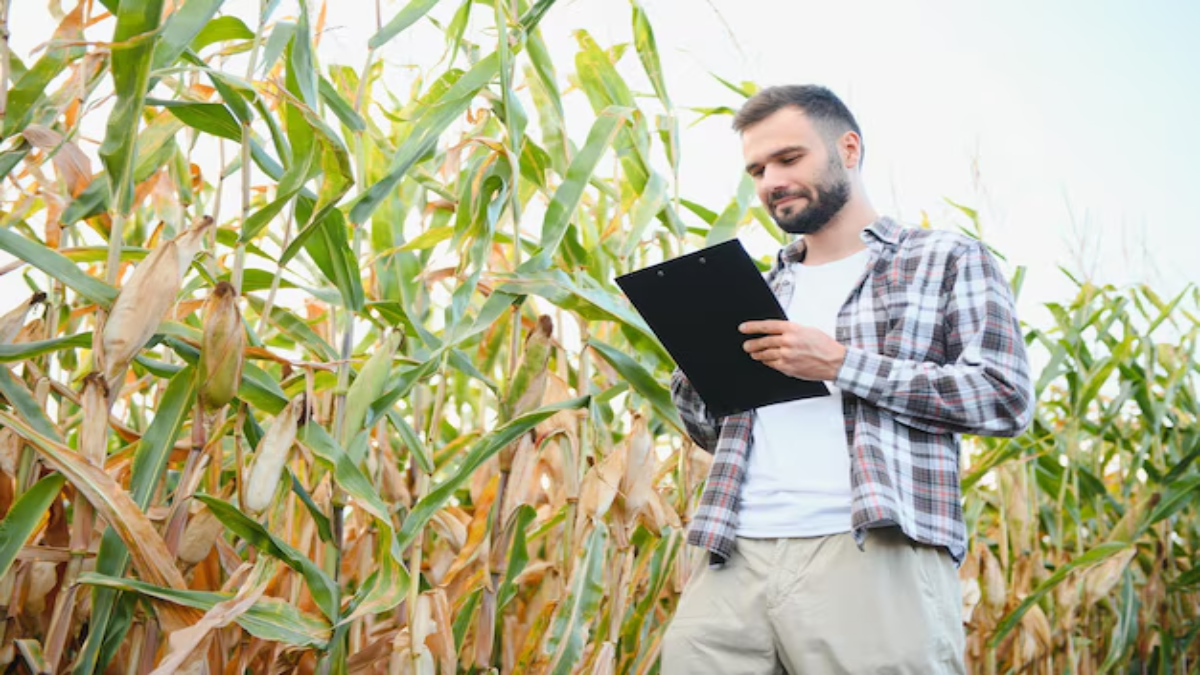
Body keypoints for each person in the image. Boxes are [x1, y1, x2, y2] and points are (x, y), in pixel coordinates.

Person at [661, 85, 1034, 675]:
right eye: (757, 169)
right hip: (734, 552)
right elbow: (712, 433)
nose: (771, 181)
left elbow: (1003, 398)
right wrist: (696, 364)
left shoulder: (944, 258)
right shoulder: (764, 288)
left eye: (789, 159)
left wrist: (841, 364)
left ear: (849, 149)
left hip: (871, 548)